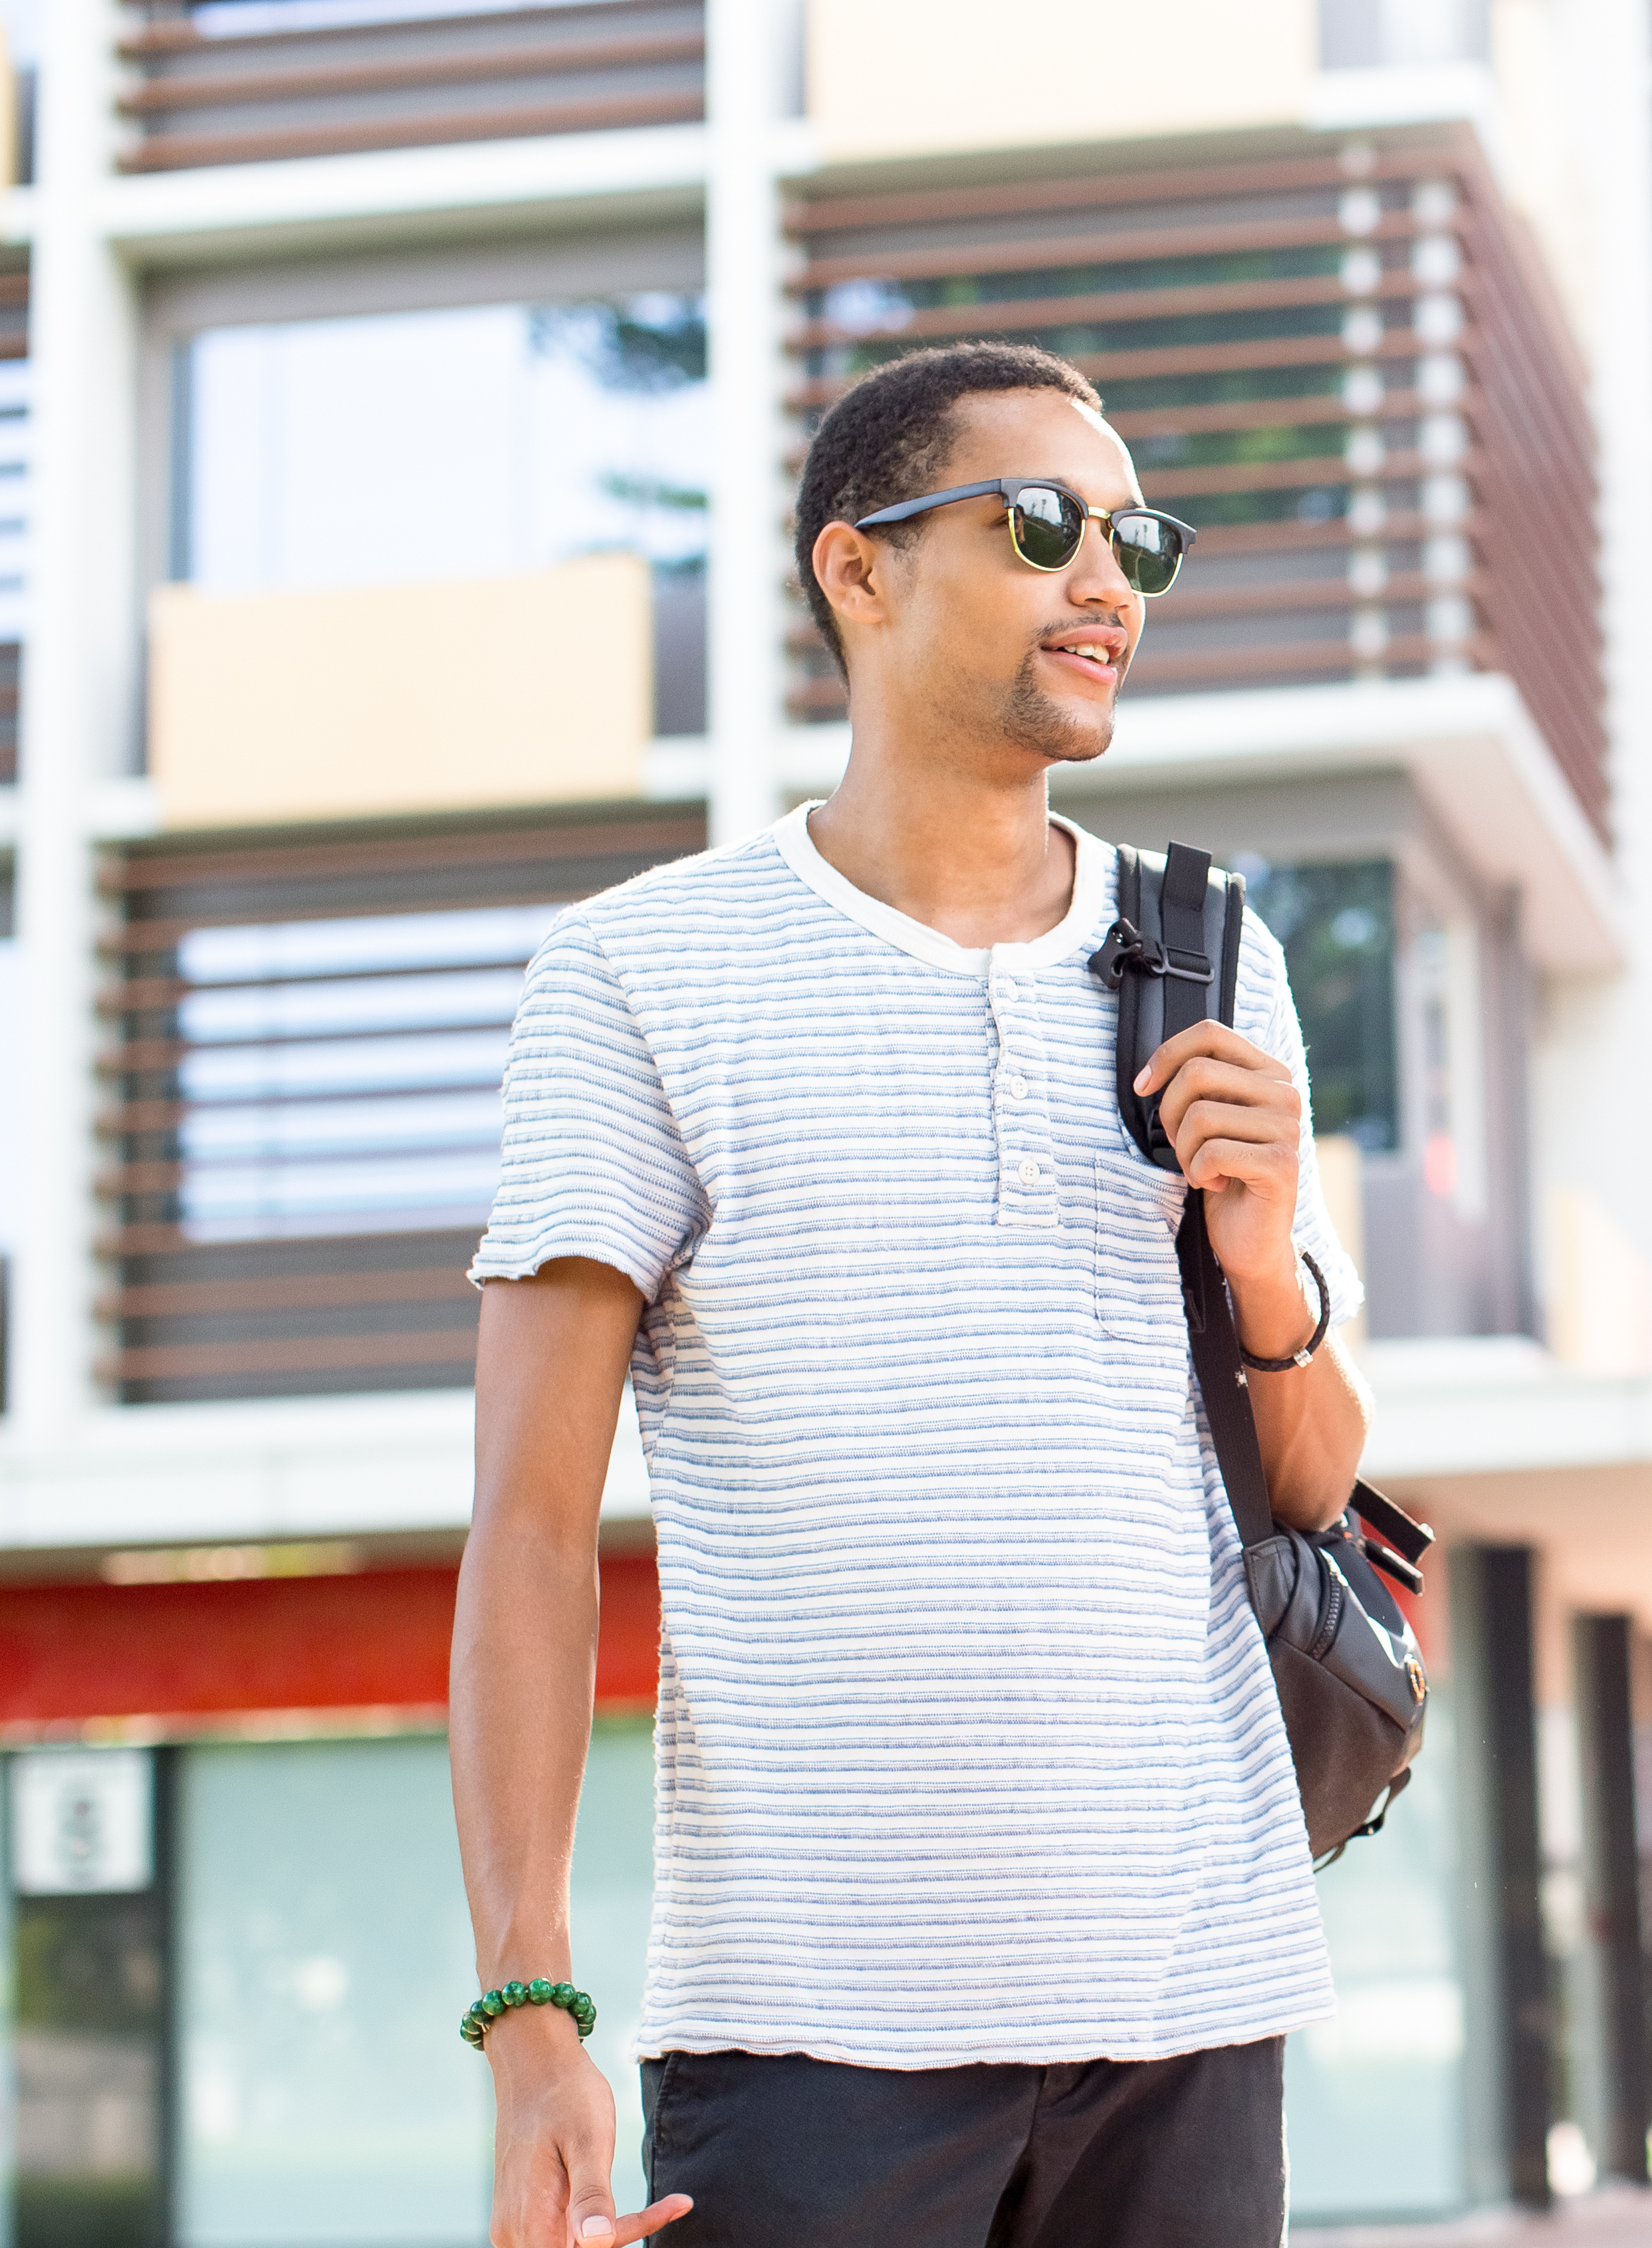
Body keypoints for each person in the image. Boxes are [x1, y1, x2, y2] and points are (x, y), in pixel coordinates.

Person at [451, 338, 1369, 2248]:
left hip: (1194, 1998)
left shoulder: (1213, 955)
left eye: (1138, 541)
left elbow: (1308, 1487)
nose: (1106, 581)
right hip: (812, 2034)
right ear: (856, 570)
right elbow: (531, 1530)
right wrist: (530, 2013)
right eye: (1042, 525)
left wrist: (1265, 1256)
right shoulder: (640, 975)